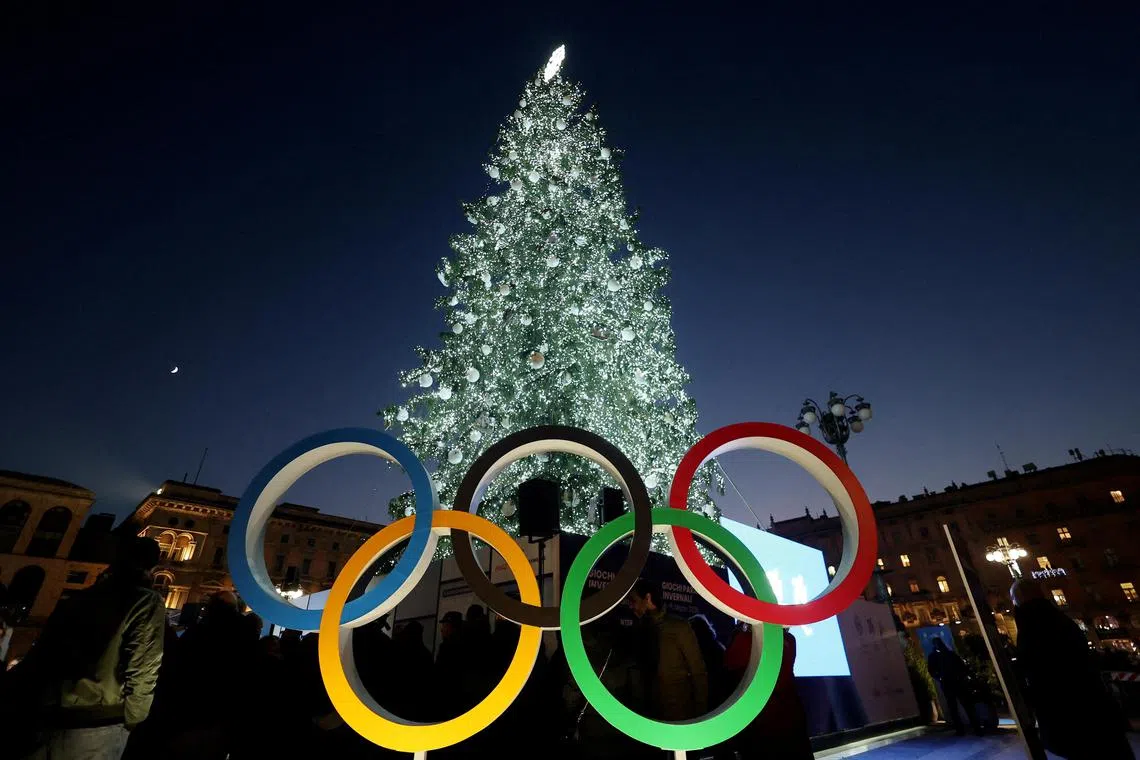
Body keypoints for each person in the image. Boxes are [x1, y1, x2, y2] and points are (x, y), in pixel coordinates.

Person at [7, 536, 164, 760]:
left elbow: (41, 654)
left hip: (46, 714)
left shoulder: (77, 599)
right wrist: (134, 718)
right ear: (152, 567)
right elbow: (143, 665)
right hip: (98, 722)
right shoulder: (145, 601)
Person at [1011, 579, 1134, 759]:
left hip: (1068, 716)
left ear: (1019, 599)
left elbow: (1040, 672)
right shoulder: (1060, 619)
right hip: (1094, 710)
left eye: (1013, 599)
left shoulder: (1031, 625)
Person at [626, 579, 708, 720]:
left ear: (647, 598)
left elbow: (698, 671)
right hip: (647, 714)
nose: (631, 605)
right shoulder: (639, 629)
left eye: (633, 600)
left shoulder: (678, 627)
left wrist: (700, 714)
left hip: (678, 712)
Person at [926, 638, 982, 736]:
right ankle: (975, 727)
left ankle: (962, 729)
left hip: (949, 683)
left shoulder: (935, 656)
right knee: (965, 705)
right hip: (955, 682)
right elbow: (962, 666)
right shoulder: (949, 654)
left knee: (955, 707)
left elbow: (932, 670)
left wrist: (940, 677)